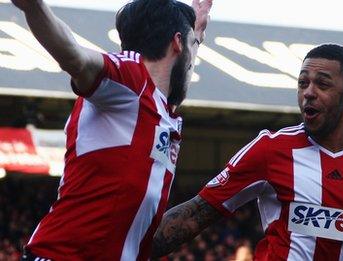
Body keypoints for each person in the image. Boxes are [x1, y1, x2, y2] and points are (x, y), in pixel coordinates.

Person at [152, 44, 343, 260]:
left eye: (322, 84)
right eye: (303, 83)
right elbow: (195, 215)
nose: (308, 93)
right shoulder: (270, 149)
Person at [12, 0, 212, 260]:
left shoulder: (159, 105)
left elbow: (179, 71)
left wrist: (195, 33)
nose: (193, 58)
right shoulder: (130, 79)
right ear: (176, 43)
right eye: (191, 44)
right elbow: (76, 56)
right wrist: (34, 7)